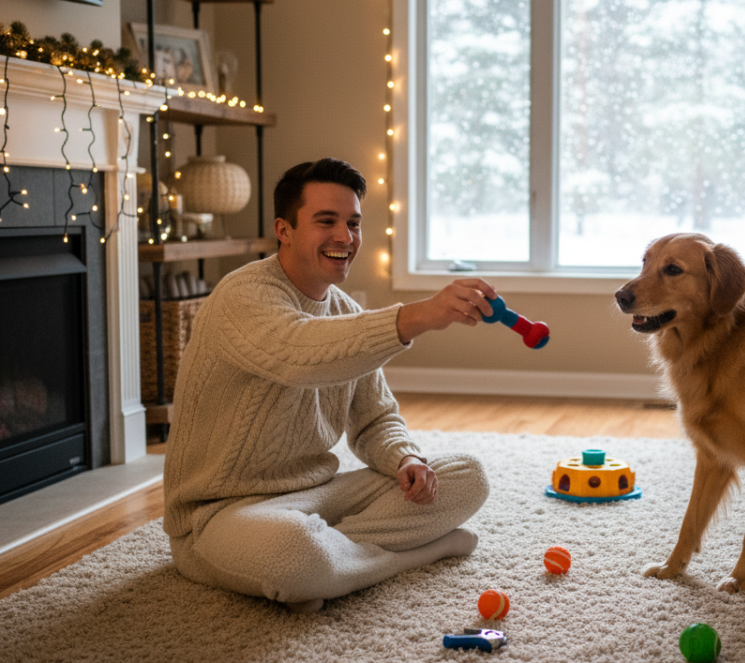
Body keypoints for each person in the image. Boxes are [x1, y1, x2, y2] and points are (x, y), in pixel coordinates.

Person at [163, 157, 496, 613]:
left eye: (353, 223)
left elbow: (375, 418)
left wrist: (406, 459)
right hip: (218, 515)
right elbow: (299, 354)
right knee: (293, 553)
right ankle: (412, 553)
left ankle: (331, 565)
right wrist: (419, 316)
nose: (345, 237)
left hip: (316, 496)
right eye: (327, 221)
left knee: (467, 476)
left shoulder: (343, 311)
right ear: (284, 230)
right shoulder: (241, 296)